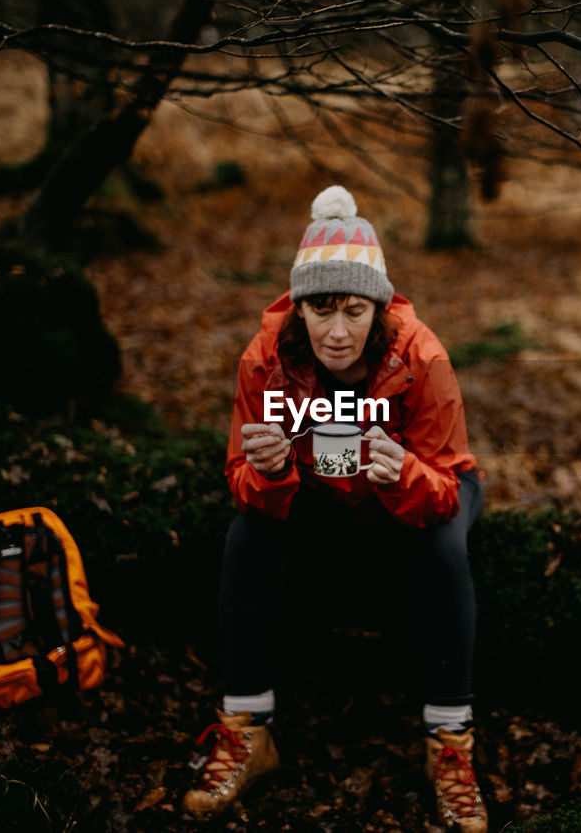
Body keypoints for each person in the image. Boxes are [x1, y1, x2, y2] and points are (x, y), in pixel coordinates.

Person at [183, 186, 487, 831]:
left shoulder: (421, 357)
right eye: (322, 310)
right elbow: (239, 474)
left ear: (377, 308)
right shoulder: (265, 359)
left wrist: (400, 472)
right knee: (247, 534)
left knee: (443, 547)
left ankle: (450, 743)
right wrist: (266, 475)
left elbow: (447, 482)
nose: (339, 332)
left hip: (421, 493)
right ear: (300, 309)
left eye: (355, 310)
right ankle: (248, 728)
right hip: (320, 491)